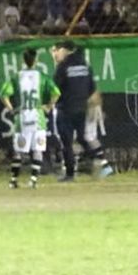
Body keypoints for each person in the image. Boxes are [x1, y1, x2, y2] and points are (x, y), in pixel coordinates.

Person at [50, 39, 112, 181]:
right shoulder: (85, 65)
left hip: (65, 108)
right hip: (81, 108)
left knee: (66, 142)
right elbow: (92, 89)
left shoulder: (63, 66)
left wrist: (50, 104)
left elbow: (55, 89)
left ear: (64, 50)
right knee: (82, 138)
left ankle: (70, 174)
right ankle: (103, 164)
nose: (55, 54)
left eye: (57, 50)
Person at [0, 47, 59, 189]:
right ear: (36, 60)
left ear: (23, 60)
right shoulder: (42, 76)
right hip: (38, 117)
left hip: (22, 117)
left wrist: (11, 109)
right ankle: (33, 180)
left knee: (19, 151)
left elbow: (3, 94)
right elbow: (56, 92)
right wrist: (49, 106)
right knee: (37, 149)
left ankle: (13, 180)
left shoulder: (17, 76)